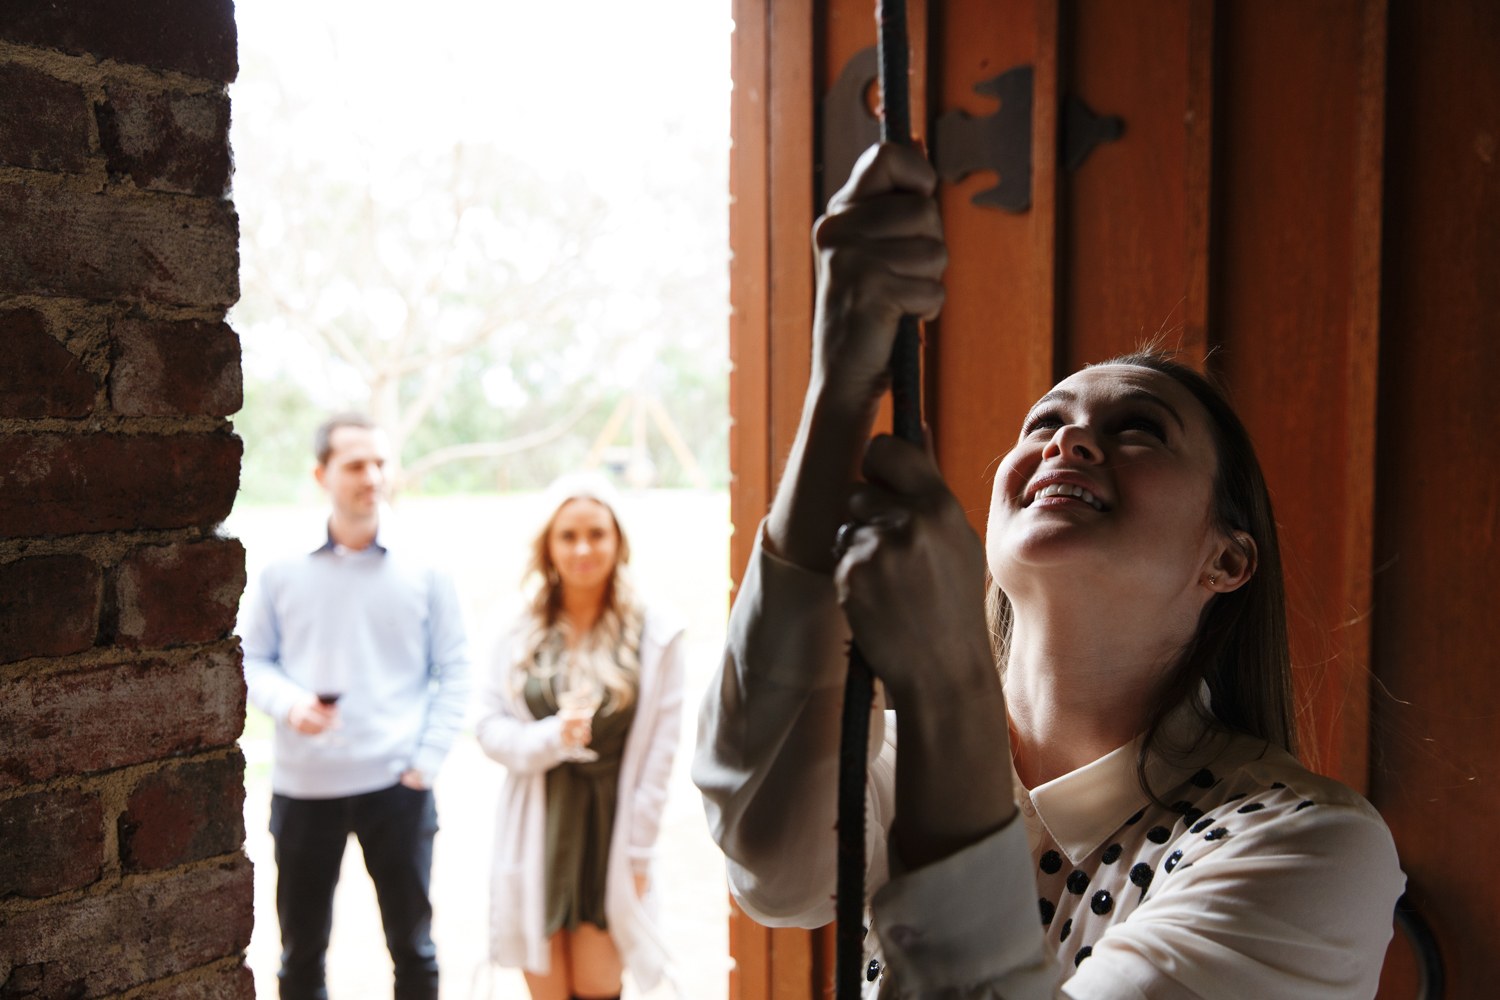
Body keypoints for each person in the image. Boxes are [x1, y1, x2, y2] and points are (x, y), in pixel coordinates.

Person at [692, 144, 1404, 999]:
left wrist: (945, 679)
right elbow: (770, 867)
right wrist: (841, 380)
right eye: (1043, 423)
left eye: (1140, 428)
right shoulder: (886, 763)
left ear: (1228, 557)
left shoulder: (1309, 848)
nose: (1067, 441)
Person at [242, 412, 471, 1000]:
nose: (371, 476)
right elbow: (251, 660)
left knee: (415, 952)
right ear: (322, 474)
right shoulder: (279, 568)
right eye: (354, 464)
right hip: (304, 787)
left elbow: (457, 668)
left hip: (399, 785)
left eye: (379, 462)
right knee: (300, 956)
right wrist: (291, 704)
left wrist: (428, 758)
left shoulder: (428, 566)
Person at [476, 473, 686, 1000]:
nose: (583, 548)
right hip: (539, 824)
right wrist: (551, 738)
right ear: (548, 545)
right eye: (568, 536)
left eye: (597, 533)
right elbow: (487, 728)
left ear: (618, 540)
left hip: (612, 828)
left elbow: (661, 753)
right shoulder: (514, 625)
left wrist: (638, 856)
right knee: (545, 986)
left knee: (599, 985)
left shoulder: (657, 631)